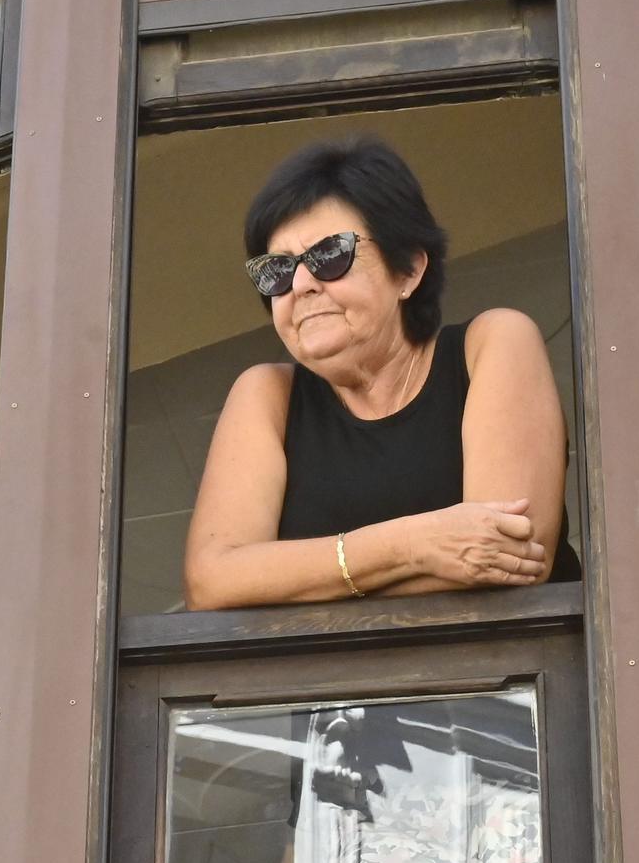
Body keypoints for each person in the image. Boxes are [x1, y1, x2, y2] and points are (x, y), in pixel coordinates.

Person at [183, 136, 579, 610]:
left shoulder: (491, 344)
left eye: (330, 255)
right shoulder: (267, 395)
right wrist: (413, 544)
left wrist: (293, 584)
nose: (302, 285)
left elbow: (507, 557)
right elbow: (213, 583)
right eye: (278, 271)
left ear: (409, 269)